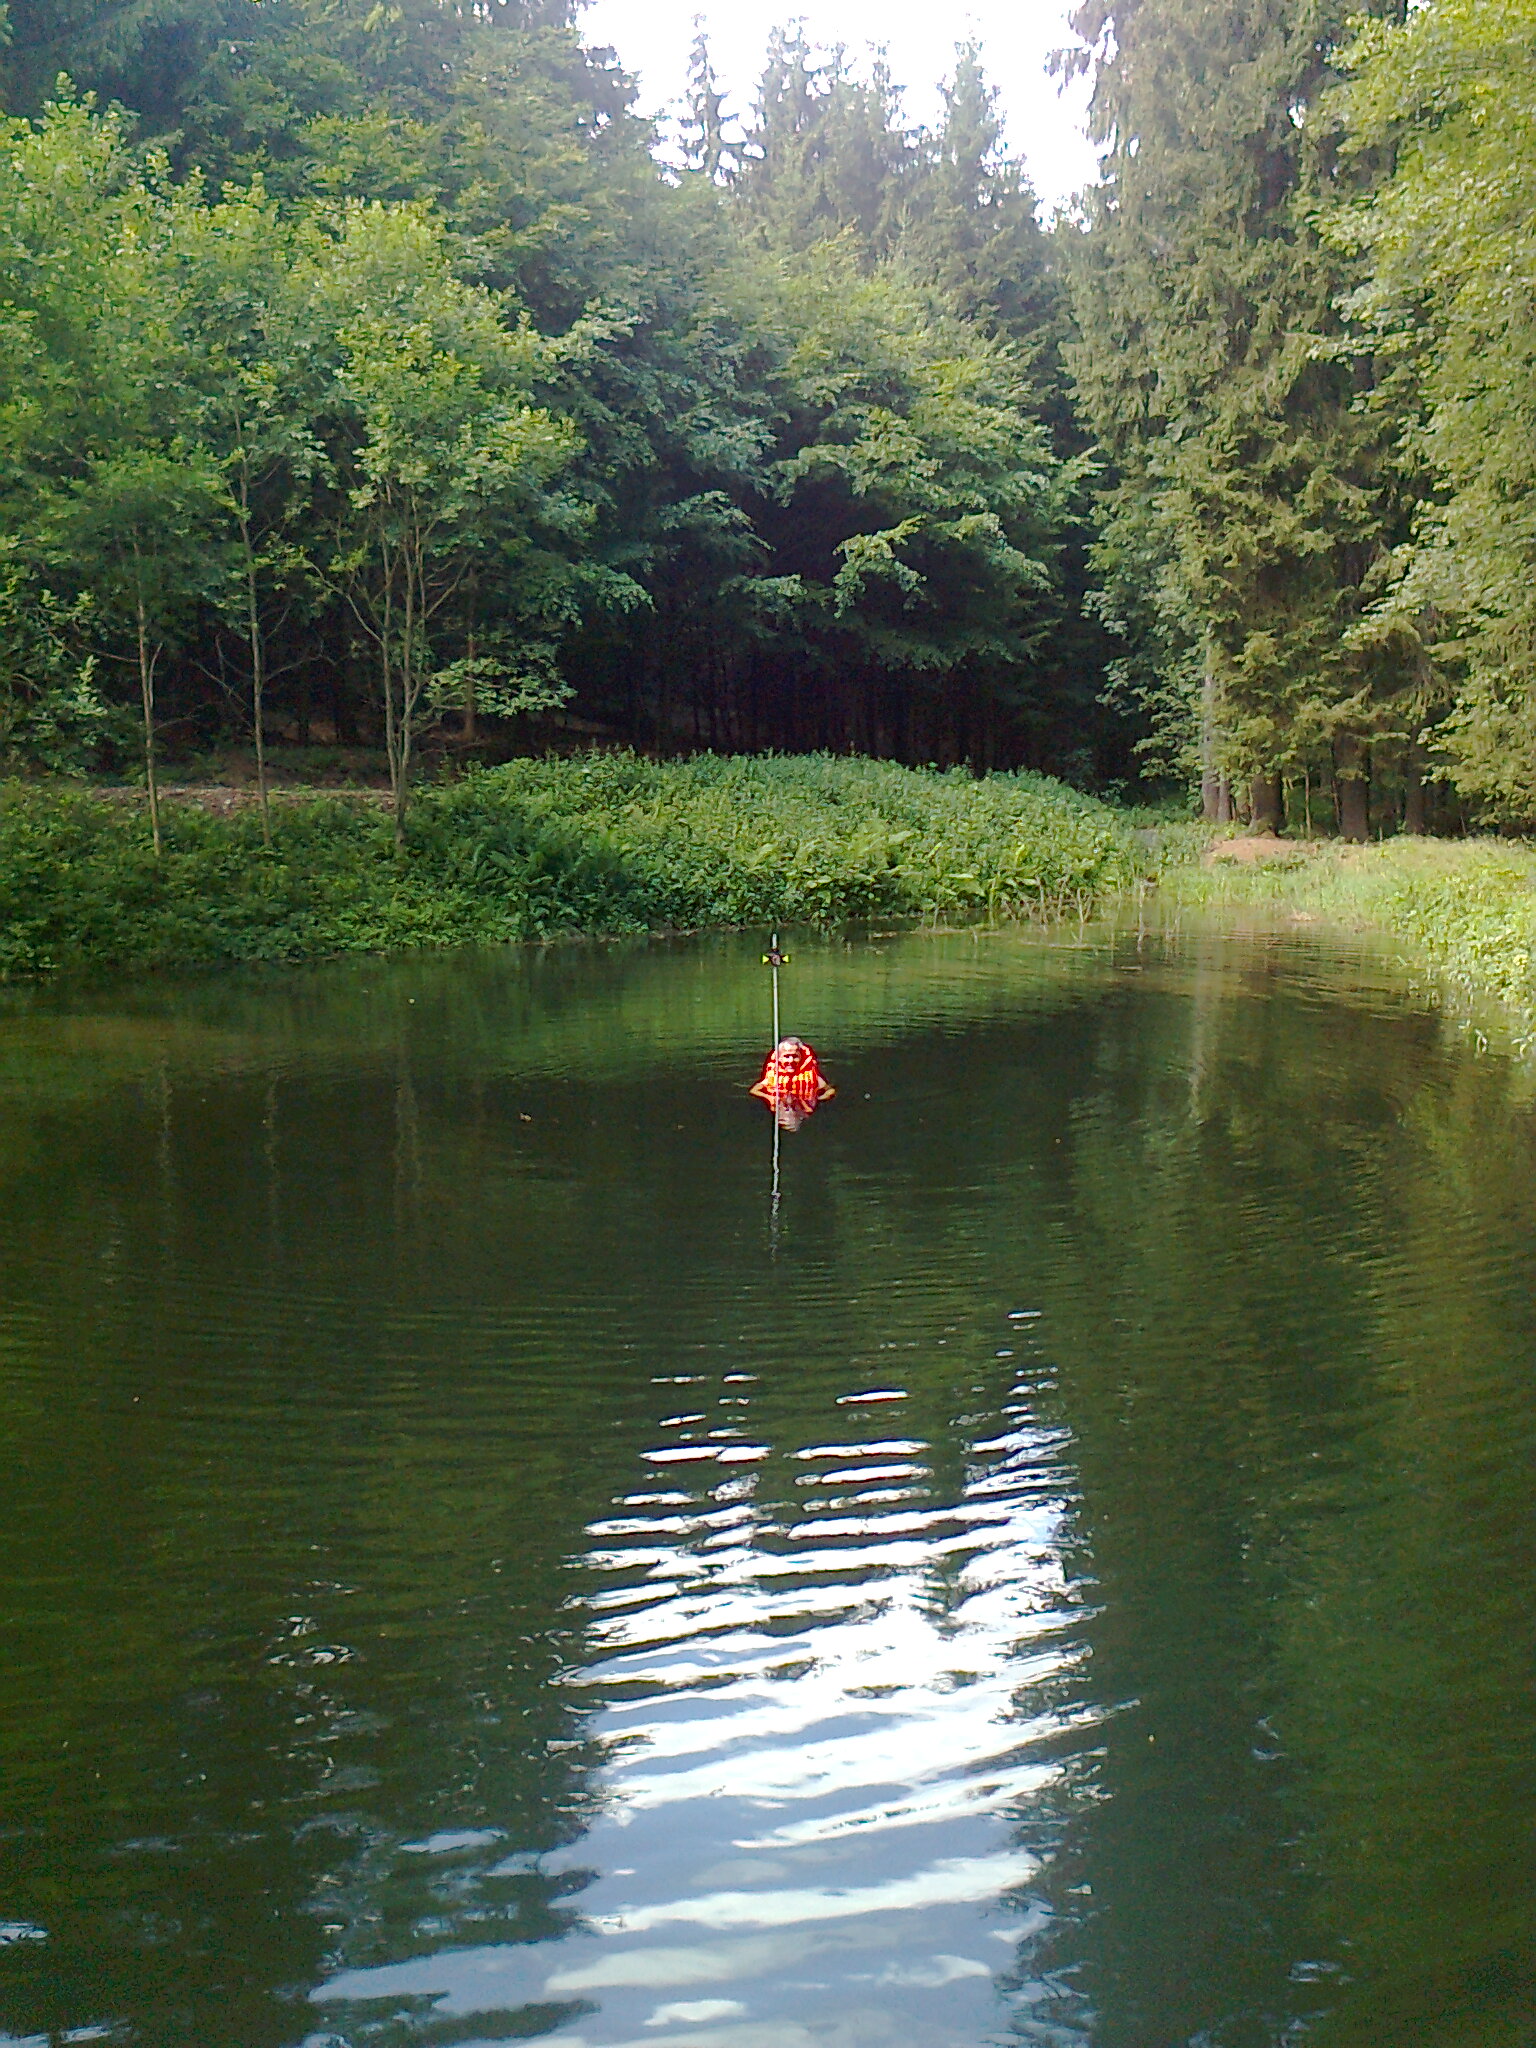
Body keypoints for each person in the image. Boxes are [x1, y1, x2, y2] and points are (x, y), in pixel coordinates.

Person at [750, 1036, 835, 1118]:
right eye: (786, 1056)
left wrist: (818, 1099)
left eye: (795, 1057)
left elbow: (830, 1090)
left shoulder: (812, 1077)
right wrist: (769, 1097)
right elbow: (754, 1090)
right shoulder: (773, 1077)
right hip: (783, 1105)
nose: (791, 1061)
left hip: (802, 1106)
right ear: (779, 1058)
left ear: (801, 1057)